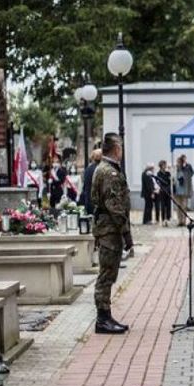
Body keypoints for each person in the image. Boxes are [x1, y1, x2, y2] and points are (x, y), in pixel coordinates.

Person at [90, 133, 130, 334]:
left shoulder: (106, 168)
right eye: (120, 147)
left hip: (109, 229)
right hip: (109, 230)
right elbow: (115, 206)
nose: (121, 151)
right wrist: (126, 232)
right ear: (116, 149)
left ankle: (106, 316)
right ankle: (102, 319)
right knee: (106, 275)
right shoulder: (109, 172)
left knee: (109, 274)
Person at [172, 155, 192, 226]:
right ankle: (179, 221)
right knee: (178, 207)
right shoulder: (175, 170)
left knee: (184, 207)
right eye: (177, 162)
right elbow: (172, 179)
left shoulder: (186, 170)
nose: (178, 163)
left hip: (184, 191)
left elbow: (190, 175)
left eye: (179, 162)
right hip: (177, 191)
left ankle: (184, 221)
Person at [155, 160, 172, 224]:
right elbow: (158, 182)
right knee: (162, 205)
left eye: (165, 165)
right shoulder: (158, 173)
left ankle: (168, 218)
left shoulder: (168, 173)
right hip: (162, 191)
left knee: (168, 205)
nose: (165, 166)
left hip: (168, 190)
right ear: (161, 166)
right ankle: (163, 219)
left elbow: (170, 181)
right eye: (164, 165)